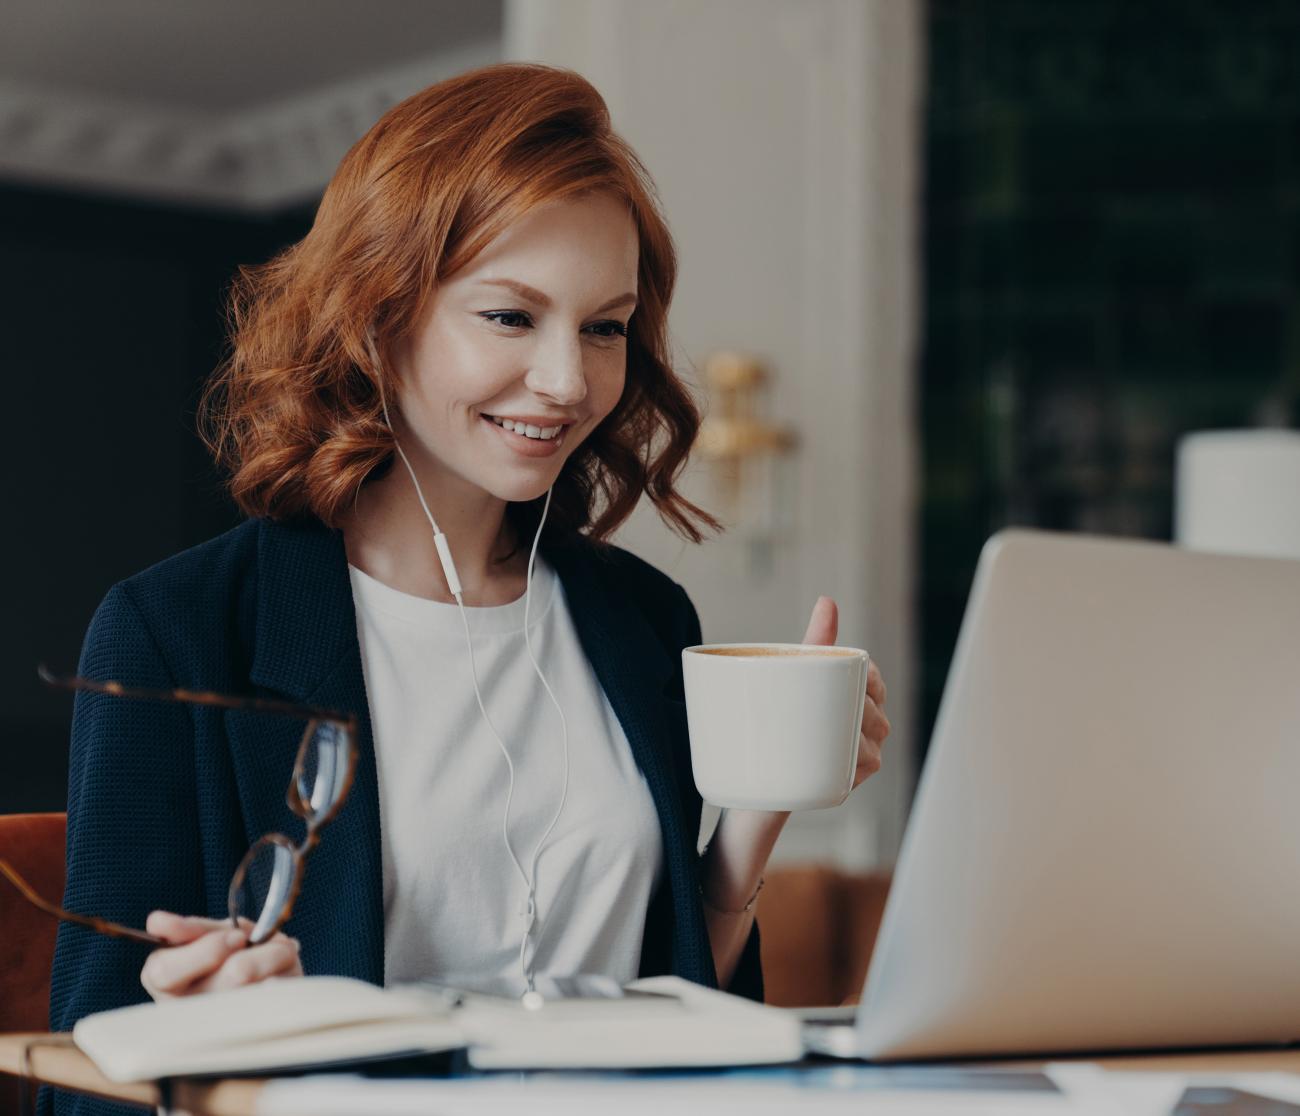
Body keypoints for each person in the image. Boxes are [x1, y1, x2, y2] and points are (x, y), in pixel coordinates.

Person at [46, 60, 889, 1110]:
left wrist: (751, 825)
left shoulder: (639, 621)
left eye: (603, 326)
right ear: (378, 313)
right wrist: (199, 1047)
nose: (568, 381)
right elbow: (76, 1087)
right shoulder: (175, 632)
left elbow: (677, 1024)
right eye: (509, 317)